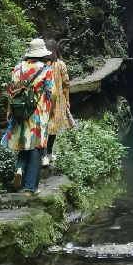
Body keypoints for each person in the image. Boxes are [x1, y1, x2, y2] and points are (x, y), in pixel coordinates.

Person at [2, 37, 54, 194]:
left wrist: (9, 110)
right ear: (42, 54)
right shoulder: (46, 70)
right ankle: (30, 188)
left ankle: (19, 168)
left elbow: (11, 91)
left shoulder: (17, 68)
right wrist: (50, 111)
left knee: (23, 142)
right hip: (38, 113)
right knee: (37, 148)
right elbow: (50, 93)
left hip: (20, 111)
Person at [43, 38, 75, 168]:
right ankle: (48, 153)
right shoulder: (60, 64)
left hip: (44, 100)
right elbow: (66, 84)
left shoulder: (42, 64)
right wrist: (67, 100)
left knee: (45, 126)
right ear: (57, 50)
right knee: (54, 126)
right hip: (58, 100)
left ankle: (45, 155)